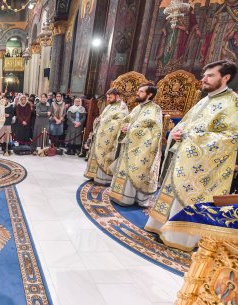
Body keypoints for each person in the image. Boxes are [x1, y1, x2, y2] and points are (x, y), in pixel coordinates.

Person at [145, 60, 238, 251]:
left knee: (189, 197)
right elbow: (185, 123)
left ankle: (180, 238)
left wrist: (190, 137)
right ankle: (161, 227)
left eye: (210, 75)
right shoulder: (205, 100)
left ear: (226, 77)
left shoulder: (232, 103)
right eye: (204, 75)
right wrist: (176, 133)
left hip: (203, 167)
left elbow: (231, 137)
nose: (204, 79)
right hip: (183, 159)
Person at [109, 84, 163, 207]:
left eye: (141, 91)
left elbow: (155, 131)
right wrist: (124, 126)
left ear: (149, 95)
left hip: (143, 149)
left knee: (137, 171)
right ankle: (120, 195)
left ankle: (133, 199)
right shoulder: (137, 108)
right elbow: (127, 120)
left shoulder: (155, 109)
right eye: (138, 91)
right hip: (129, 145)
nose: (137, 93)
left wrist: (131, 128)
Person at [84, 88, 129, 185]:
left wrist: (103, 121)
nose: (108, 99)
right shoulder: (109, 106)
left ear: (117, 96)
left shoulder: (122, 107)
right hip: (100, 135)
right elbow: (103, 117)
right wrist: (98, 119)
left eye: (110, 97)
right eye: (107, 97)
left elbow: (120, 121)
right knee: (95, 153)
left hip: (110, 138)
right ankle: (93, 174)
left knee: (105, 156)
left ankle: (103, 178)